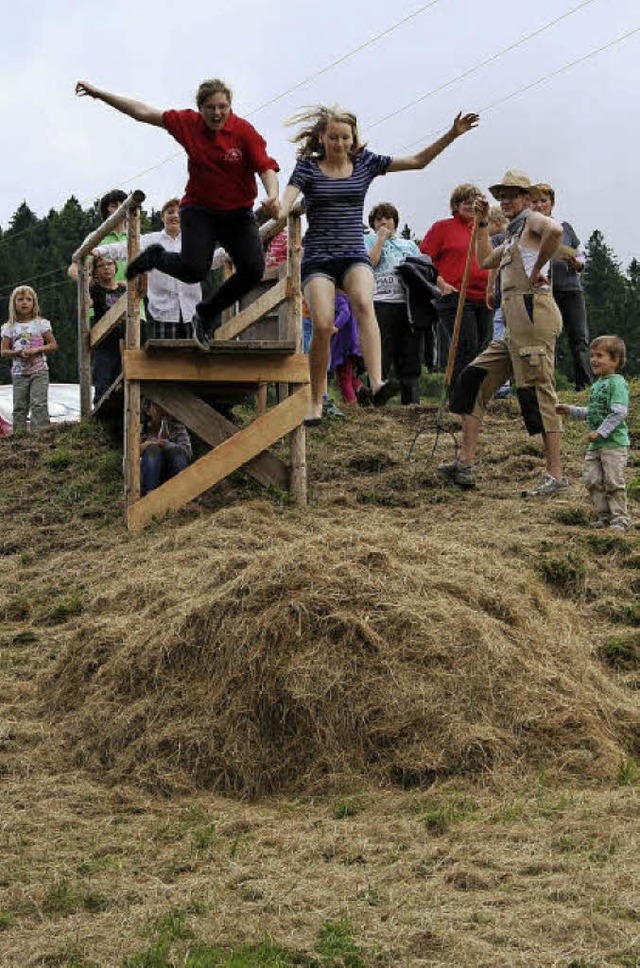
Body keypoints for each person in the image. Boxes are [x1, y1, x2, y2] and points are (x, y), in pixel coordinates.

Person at [279, 105, 478, 424]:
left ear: (353, 139)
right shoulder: (308, 168)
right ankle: (315, 400)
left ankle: (377, 382)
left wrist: (452, 134)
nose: (340, 144)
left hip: (353, 254)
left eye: (345, 137)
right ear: (321, 137)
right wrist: (276, 205)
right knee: (322, 324)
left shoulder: (365, 164)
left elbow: (418, 162)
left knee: (362, 301)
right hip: (318, 257)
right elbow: (286, 202)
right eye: (333, 137)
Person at [75, 78, 280, 348]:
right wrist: (100, 94)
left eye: (223, 107)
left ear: (230, 106)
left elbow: (266, 167)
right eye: (210, 108)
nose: (217, 114)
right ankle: (156, 256)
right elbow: (143, 112)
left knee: (253, 270)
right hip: (200, 210)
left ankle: (206, 313)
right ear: (200, 108)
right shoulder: (188, 123)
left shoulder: (243, 132)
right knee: (195, 270)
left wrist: (273, 196)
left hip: (237, 214)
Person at [439, 170, 567, 497]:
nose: (506, 200)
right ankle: (465, 462)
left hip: (533, 313)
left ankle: (555, 475)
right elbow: (483, 260)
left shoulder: (533, 221)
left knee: (538, 391)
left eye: (512, 194)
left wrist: (537, 269)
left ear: (526, 197)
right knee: (473, 379)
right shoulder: (512, 234)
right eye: (502, 195)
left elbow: (555, 230)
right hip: (513, 323)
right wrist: (482, 223)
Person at [93, 197, 204, 339]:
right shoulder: (151, 240)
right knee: (165, 358)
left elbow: (211, 259)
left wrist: (228, 254)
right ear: (163, 217)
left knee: (194, 358)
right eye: (170, 212)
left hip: (192, 311)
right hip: (164, 312)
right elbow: (125, 248)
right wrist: (101, 251)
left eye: (179, 212)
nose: (175, 215)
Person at [420, 183, 491, 386]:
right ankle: (458, 395)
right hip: (455, 295)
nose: (470, 206)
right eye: (466, 202)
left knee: (481, 348)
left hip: (482, 297)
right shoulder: (443, 227)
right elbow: (425, 260)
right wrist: (440, 283)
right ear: (456, 205)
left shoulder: (481, 230)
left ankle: (473, 395)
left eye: (475, 203)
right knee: (465, 346)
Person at [556, 336, 630, 530]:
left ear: (615, 360)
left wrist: (601, 433)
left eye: (600, 356)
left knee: (613, 481)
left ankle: (620, 519)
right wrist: (571, 410)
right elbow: (594, 411)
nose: (594, 360)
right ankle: (603, 516)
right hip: (596, 445)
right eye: (592, 356)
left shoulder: (617, 383)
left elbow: (619, 412)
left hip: (614, 444)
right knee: (592, 480)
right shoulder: (597, 385)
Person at [530, 182, 592, 390]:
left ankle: (585, 385)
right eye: (535, 201)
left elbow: (580, 253)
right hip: (544, 289)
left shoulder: (565, 227)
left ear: (552, 203)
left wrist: (577, 262)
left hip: (571, 288)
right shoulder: (528, 230)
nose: (539, 205)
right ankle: (548, 386)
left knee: (579, 337)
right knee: (547, 339)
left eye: (543, 201)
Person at [365, 203, 423, 404]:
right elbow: (368, 264)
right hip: (380, 301)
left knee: (410, 351)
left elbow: (422, 271)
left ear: (395, 221)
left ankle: (411, 400)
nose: (383, 221)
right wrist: (380, 240)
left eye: (388, 218)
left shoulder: (409, 245)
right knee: (381, 351)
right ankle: (376, 396)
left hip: (407, 304)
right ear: (373, 224)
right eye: (379, 218)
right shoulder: (367, 240)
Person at [1, 285, 57, 434]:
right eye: (20, 299)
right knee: (19, 406)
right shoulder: (9, 327)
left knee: (38, 403)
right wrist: (17, 353)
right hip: (19, 372)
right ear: (14, 303)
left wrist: (37, 349)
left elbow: (53, 345)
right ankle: (19, 436)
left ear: (34, 303)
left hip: (39, 370)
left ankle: (41, 434)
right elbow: (4, 351)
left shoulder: (41, 324)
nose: (24, 302)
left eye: (28, 299)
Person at [89, 255, 127, 402]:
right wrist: (87, 282)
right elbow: (87, 304)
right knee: (102, 386)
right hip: (104, 345)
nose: (106, 267)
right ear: (96, 272)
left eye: (110, 264)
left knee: (122, 386)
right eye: (101, 265)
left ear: (116, 267)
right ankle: (99, 423)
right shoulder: (94, 289)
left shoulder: (124, 289)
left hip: (123, 343)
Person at [140, 400, 192, 496]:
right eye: (157, 406)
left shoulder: (176, 426)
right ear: (148, 410)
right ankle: (150, 495)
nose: (162, 409)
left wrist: (167, 445)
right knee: (152, 449)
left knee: (176, 450)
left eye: (164, 405)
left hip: (170, 472)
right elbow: (130, 456)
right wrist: (148, 445)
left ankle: (180, 494)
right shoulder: (140, 428)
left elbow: (187, 452)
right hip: (148, 473)